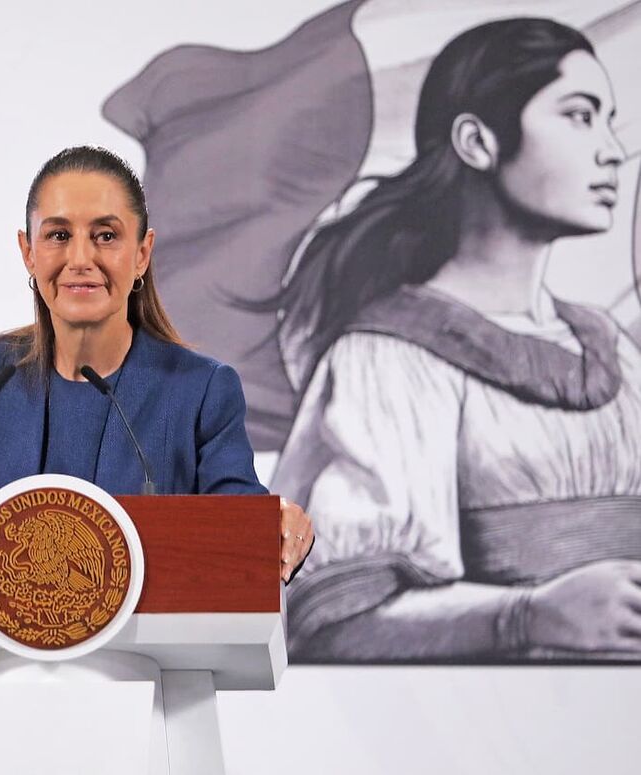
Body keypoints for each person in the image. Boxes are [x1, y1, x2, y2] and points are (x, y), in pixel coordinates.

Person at [272, 18, 641, 662]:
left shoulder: (612, 348)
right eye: (580, 117)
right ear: (477, 141)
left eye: (609, 120)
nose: (612, 150)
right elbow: (332, 616)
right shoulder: (390, 358)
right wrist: (527, 616)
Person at [0, 146, 314, 614]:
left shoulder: (200, 390)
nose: (80, 259)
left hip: (145, 693)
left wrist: (279, 526)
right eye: (58, 235)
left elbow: (242, 536)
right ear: (29, 252)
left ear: (142, 253)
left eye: (106, 235)